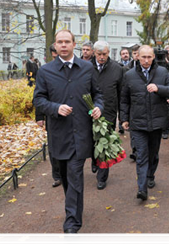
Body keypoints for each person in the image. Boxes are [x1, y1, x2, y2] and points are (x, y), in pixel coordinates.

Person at [33, 29, 104, 241]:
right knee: (65, 177)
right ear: (55, 46)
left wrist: (99, 106)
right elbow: (38, 100)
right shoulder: (45, 71)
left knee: (75, 176)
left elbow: (98, 93)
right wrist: (55, 108)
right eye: (59, 42)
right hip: (59, 134)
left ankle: (72, 223)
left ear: (74, 44)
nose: (63, 45)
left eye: (67, 42)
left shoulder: (87, 68)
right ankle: (72, 206)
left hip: (81, 133)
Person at [120, 45, 169, 201]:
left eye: (149, 57)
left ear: (153, 57)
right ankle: (142, 187)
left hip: (157, 121)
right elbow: (124, 99)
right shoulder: (129, 75)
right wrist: (124, 119)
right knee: (141, 154)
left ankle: (151, 174)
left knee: (153, 153)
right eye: (143, 57)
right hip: (138, 123)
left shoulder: (162, 72)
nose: (146, 60)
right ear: (137, 57)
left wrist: (159, 88)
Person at [90, 40, 124, 190]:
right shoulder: (86, 67)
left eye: (104, 54)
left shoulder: (117, 69)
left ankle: (102, 177)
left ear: (108, 53)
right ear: (94, 53)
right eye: (99, 54)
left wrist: (122, 116)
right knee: (91, 141)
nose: (102, 57)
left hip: (109, 113)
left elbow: (122, 94)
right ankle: (94, 160)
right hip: (89, 112)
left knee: (104, 144)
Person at [36, 43, 61, 188]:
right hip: (52, 116)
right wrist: (39, 116)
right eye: (54, 55)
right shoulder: (46, 71)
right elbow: (39, 96)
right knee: (53, 147)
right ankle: (57, 175)